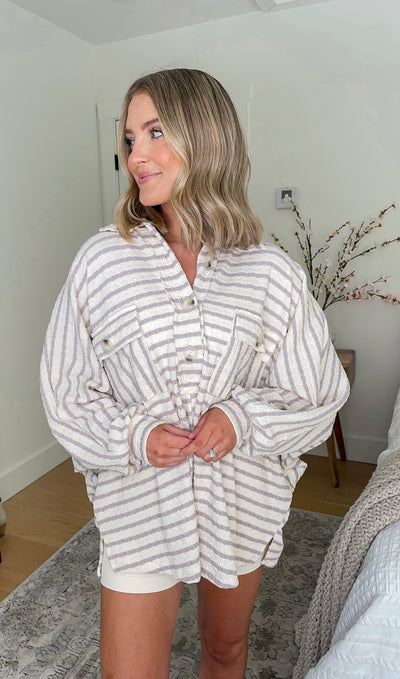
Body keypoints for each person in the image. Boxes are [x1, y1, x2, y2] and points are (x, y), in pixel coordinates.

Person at [40, 68, 349, 679]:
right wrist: (134, 435)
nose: (137, 155)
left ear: (206, 136)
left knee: (225, 648)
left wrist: (239, 419)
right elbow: (67, 391)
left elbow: (316, 393)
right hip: (138, 502)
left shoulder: (270, 272)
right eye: (130, 138)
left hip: (240, 497)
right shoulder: (102, 262)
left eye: (155, 132)